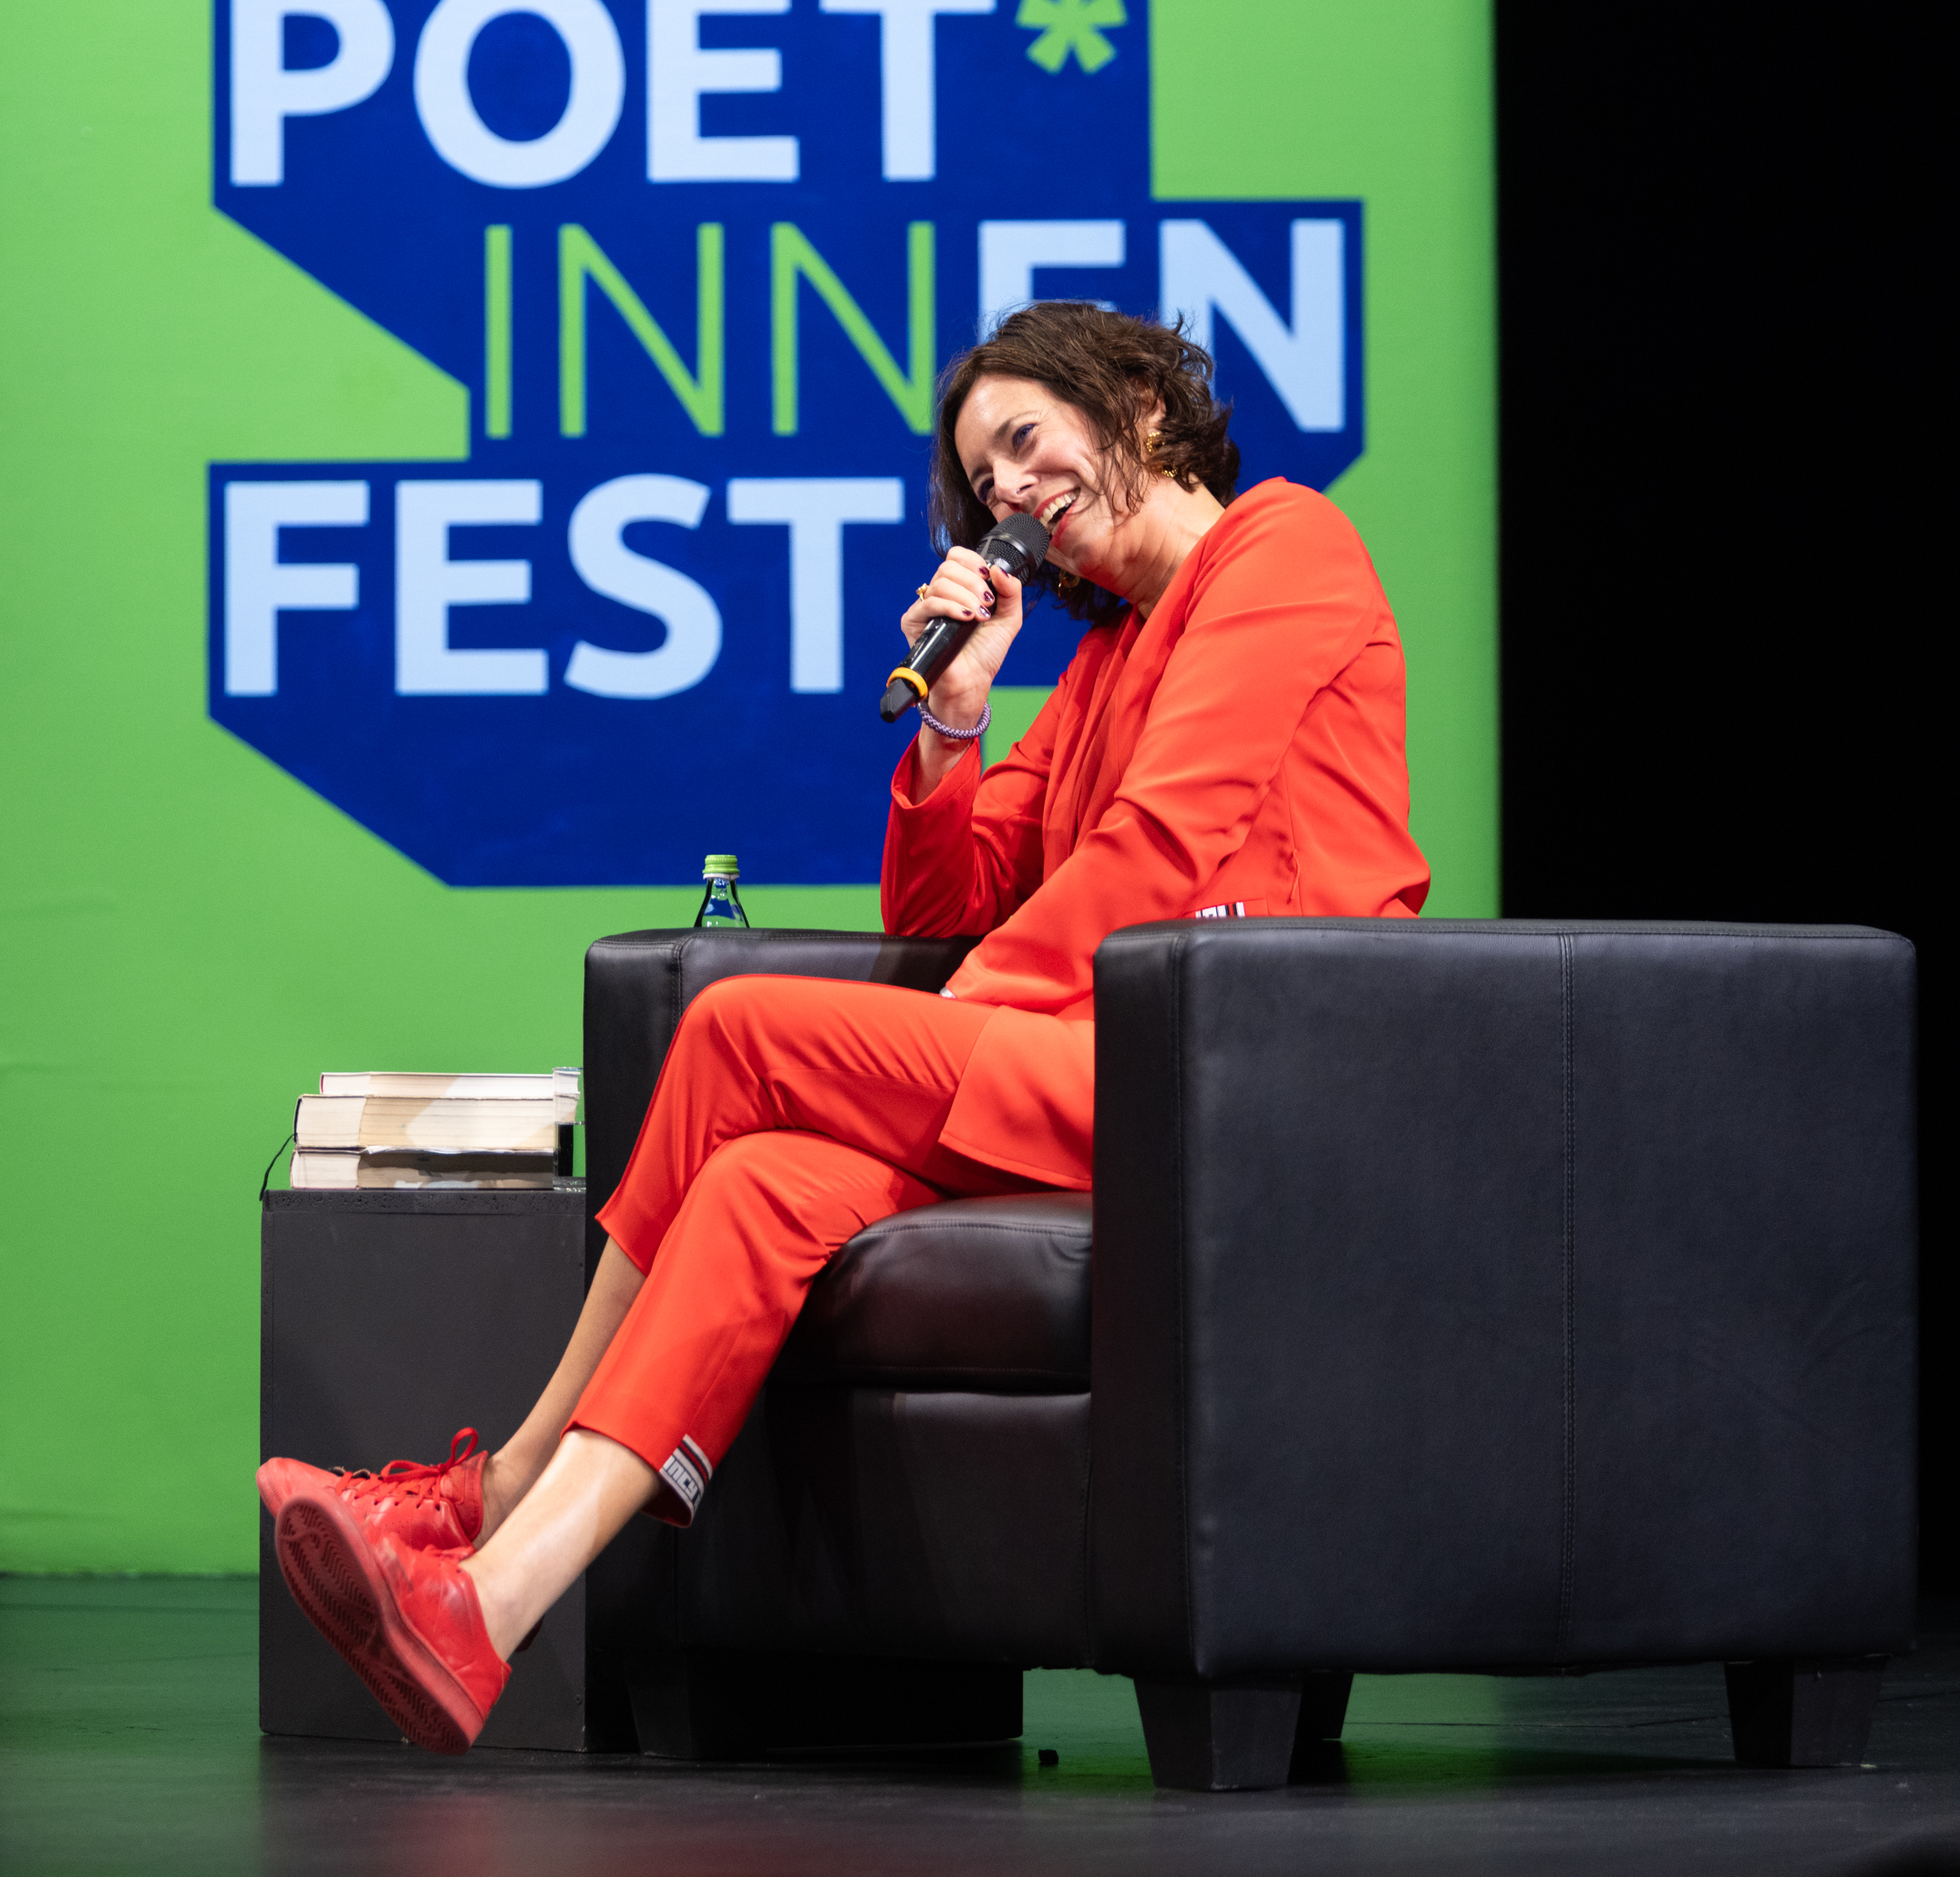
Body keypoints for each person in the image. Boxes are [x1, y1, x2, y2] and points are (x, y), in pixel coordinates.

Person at [255, 302, 1430, 1752]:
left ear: (1137, 401)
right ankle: (487, 1612)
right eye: (984, 480)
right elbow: (947, 899)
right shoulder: (1105, 668)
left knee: (740, 1034)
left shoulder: (1284, 547)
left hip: (1239, 1077)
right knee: (757, 1185)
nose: (1008, 492)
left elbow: (1160, 855)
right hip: (1092, 1072)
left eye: (1025, 442)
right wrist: (957, 714)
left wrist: (945, 1030)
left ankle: (499, 1480)